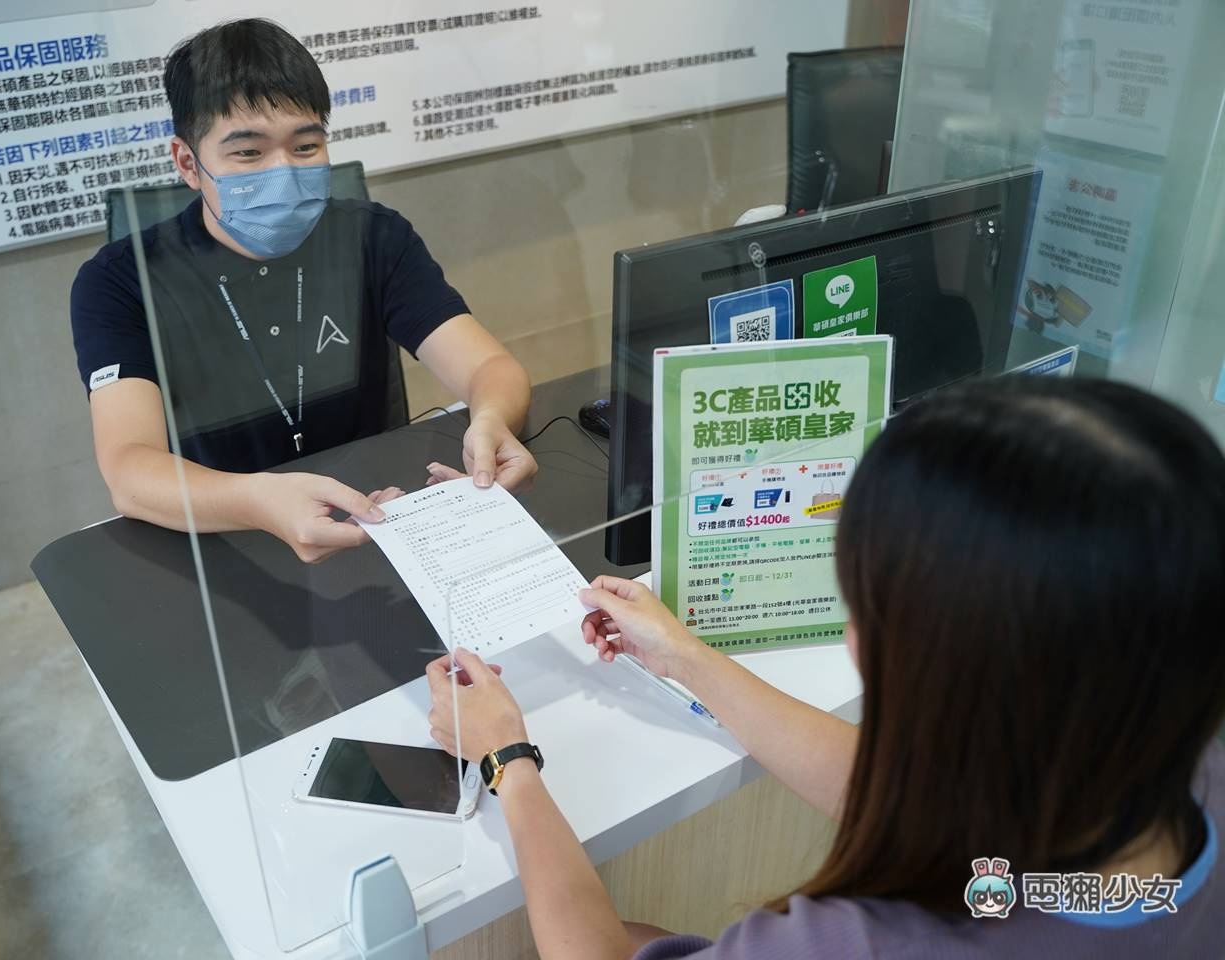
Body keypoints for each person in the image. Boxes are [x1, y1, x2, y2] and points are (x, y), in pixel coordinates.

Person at [426, 376, 1225, 958]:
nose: (852, 638)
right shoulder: (1168, 771)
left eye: (867, 607)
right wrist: (686, 658)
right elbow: (937, 812)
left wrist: (508, 759)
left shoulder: (868, 940)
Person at [70, 19, 535, 563]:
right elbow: (129, 468)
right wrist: (257, 501)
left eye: (306, 145)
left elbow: (490, 368)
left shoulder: (374, 237)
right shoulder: (120, 281)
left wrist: (491, 419)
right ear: (188, 164)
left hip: (377, 516)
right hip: (223, 533)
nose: (285, 173)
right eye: (249, 153)